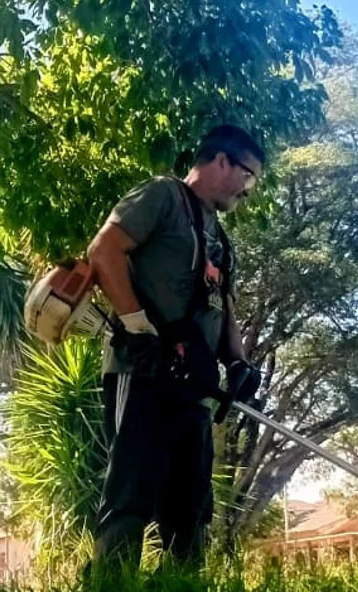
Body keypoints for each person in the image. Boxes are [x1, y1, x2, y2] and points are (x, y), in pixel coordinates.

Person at [86, 125, 265, 573]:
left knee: (190, 507)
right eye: (249, 176)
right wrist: (136, 325)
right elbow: (104, 249)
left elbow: (223, 306)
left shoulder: (220, 239)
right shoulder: (161, 197)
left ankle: (181, 582)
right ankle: (112, 583)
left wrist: (238, 362)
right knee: (131, 495)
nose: (247, 190)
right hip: (142, 371)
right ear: (222, 161)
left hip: (192, 383)